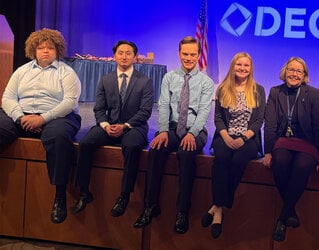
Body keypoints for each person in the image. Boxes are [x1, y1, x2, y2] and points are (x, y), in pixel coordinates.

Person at [133, 36, 214, 233]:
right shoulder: (169, 77)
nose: (189, 58)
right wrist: (162, 131)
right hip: (172, 127)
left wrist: (192, 133)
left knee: (186, 155)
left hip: (195, 130)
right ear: (179, 54)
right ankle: (151, 206)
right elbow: (163, 107)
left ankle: (182, 211)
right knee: (156, 150)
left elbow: (204, 111)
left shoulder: (206, 82)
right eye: (185, 54)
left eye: (193, 54)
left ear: (198, 56)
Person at [0, 28, 81, 224]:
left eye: (50, 48)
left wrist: (42, 119)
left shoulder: (67, 73)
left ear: (57, 50)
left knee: (59, 137)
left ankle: (60, 195)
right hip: (22, 115)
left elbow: (70, 101)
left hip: (56, 116)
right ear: (33, 50)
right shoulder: (22, 71)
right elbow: (8, 98)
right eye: (41, 47)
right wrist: (20, 118)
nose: (45, 51)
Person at [72, 40, 153, 216]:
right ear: (114, 56)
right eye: (120, 53)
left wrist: (125, 126)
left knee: (132, 147)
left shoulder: (144, 81)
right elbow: (99, 109)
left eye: (128, 53)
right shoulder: (105, 80)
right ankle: (84, 192)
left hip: (134, 127)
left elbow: (145, 111)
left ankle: (124, 195)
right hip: (109, 125)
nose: (124, 56)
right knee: (85, 143)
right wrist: (106, 125)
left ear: (135, 57)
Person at [263, 57, 319, 242]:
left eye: (299, 71)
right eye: (291, 70)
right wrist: (268, 151)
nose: (294, 74)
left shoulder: (313, 93)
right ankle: (289, 212)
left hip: (306, 141)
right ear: (285, 72)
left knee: (302, 166)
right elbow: (269, 125)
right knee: (280, 161)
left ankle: (282, 218)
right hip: (283, 140)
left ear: (305, 75)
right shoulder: (275, 92)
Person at [200, 52, 266, 239]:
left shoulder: (258, 90)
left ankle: (217, 205)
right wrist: (226, 137)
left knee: (238, 160)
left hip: (249, 138)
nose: (242, 69)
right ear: (233, 67)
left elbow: (258, 120)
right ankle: (220, 210)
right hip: (225, 136)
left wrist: (243, 138)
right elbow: (218, 118)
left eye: (246, 66)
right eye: (239, 65)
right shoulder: (223, 88)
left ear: (250, 68)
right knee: (221, 158)